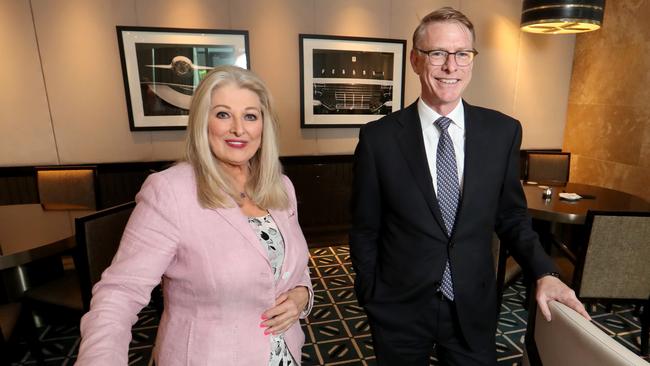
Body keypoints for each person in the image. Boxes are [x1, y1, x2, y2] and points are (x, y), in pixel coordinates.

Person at [349, 7, 590, 366]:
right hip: (398, 307)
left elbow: (511, 216)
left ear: (472, 59)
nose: (451, 66)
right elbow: (364, 228)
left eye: (462, 54)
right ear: (415, 61)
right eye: (438, 54)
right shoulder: (378, 139)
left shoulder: (502, 132)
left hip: (473, 304)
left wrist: (545, 270)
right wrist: (371, 294)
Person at [76, 65, 313, 365]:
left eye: (250, 116)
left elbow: (293, 265)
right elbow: (119, 294)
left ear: (264, 126)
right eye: (223, 114)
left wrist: (302, 296)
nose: (238, 129)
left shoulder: (280, 187)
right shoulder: (169, 191)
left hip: (285, 354)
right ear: (203, 122)